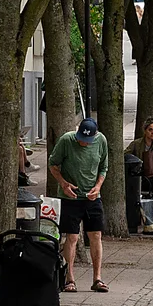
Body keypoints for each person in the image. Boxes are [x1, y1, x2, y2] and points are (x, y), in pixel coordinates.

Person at [49, 118, 110, 293]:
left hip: (92, 197)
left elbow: (104, 167)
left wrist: (97, 187)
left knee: (96, 235)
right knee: (72, 237)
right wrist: (63, 183)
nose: (83, 143)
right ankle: (69, 278)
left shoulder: (101, 141)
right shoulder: (67, 140)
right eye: (81, 139)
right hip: (71, 198)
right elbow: (53, 164)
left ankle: (97, 278)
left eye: (87, 140)